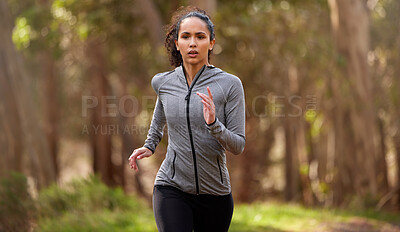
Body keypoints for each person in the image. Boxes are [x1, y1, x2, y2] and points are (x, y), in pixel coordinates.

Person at [128, 6, 246, 232]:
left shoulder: (230, 85)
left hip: (215, 193)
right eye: (186, 36)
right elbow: (160, 112)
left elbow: (238, 145)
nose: (193, 43)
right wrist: (150, 145)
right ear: (176, 43)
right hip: (171, 186)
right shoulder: (163, 83)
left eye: (200, 37)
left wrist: (214, 125)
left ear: (211, 43)